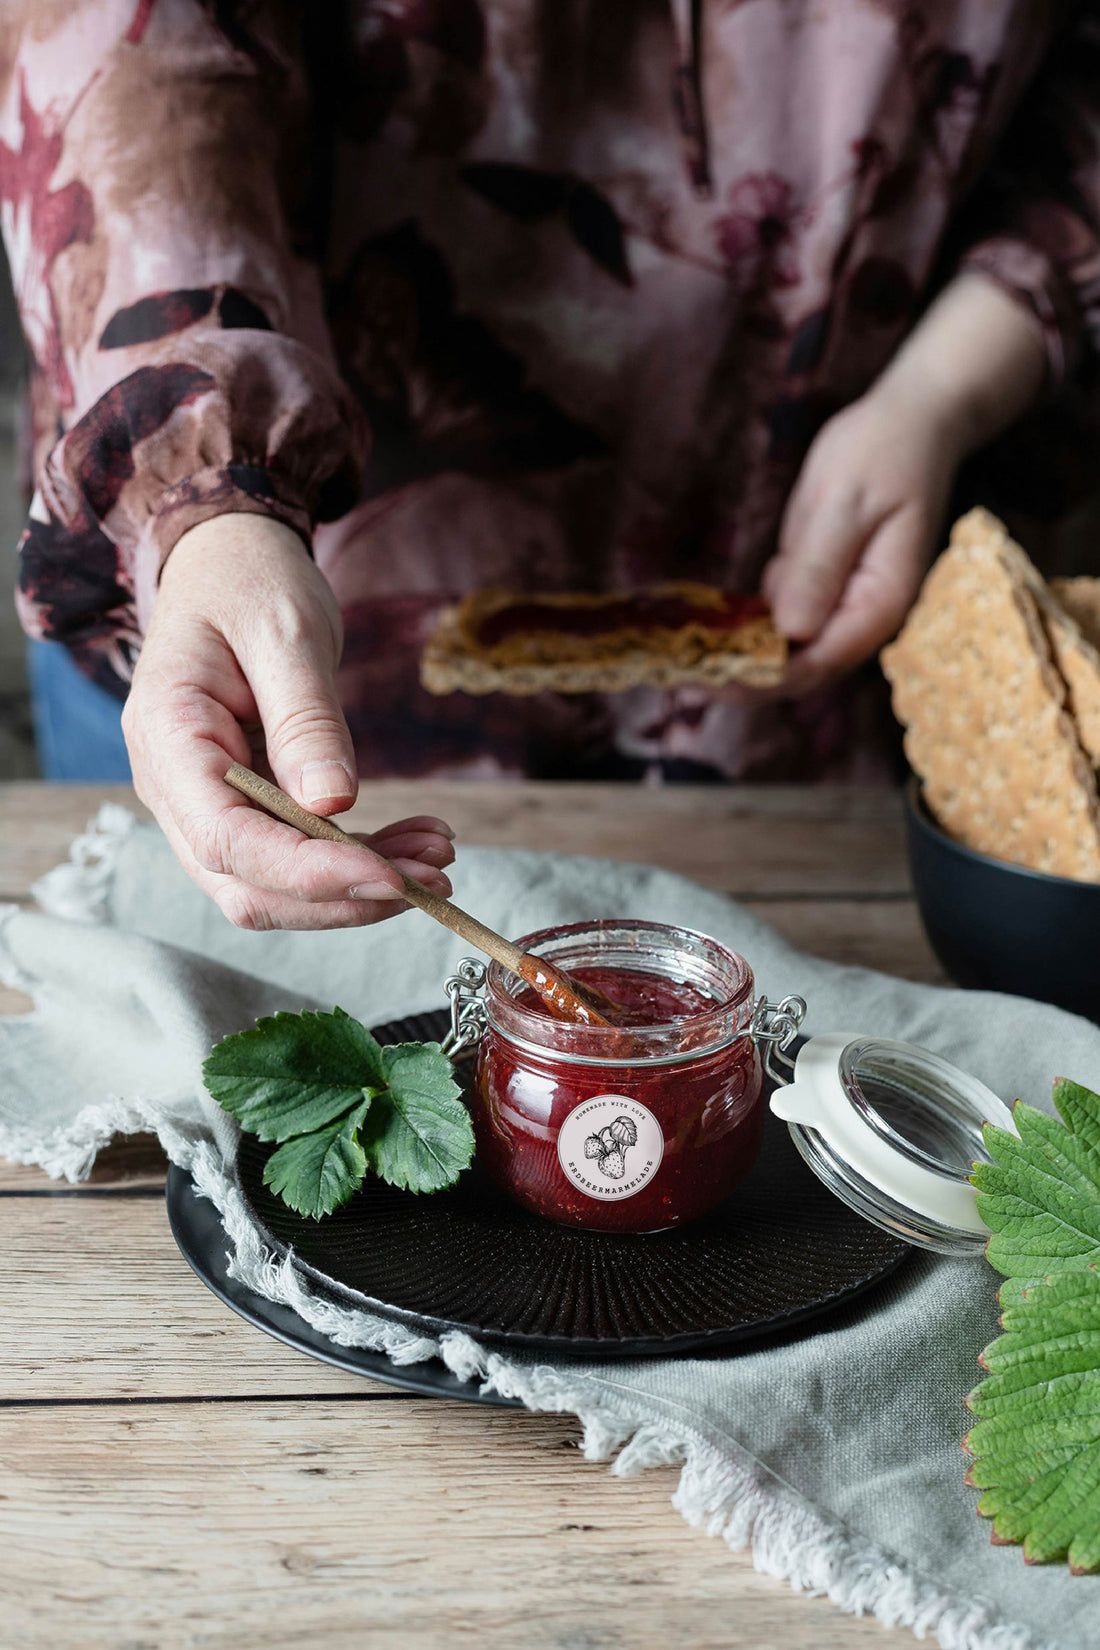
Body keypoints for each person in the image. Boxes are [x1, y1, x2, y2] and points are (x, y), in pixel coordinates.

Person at [1, 1, 1095, 933]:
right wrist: (207, 489)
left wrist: (942, 387)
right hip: (249, 593)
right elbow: (125, 40)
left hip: (816, 594)